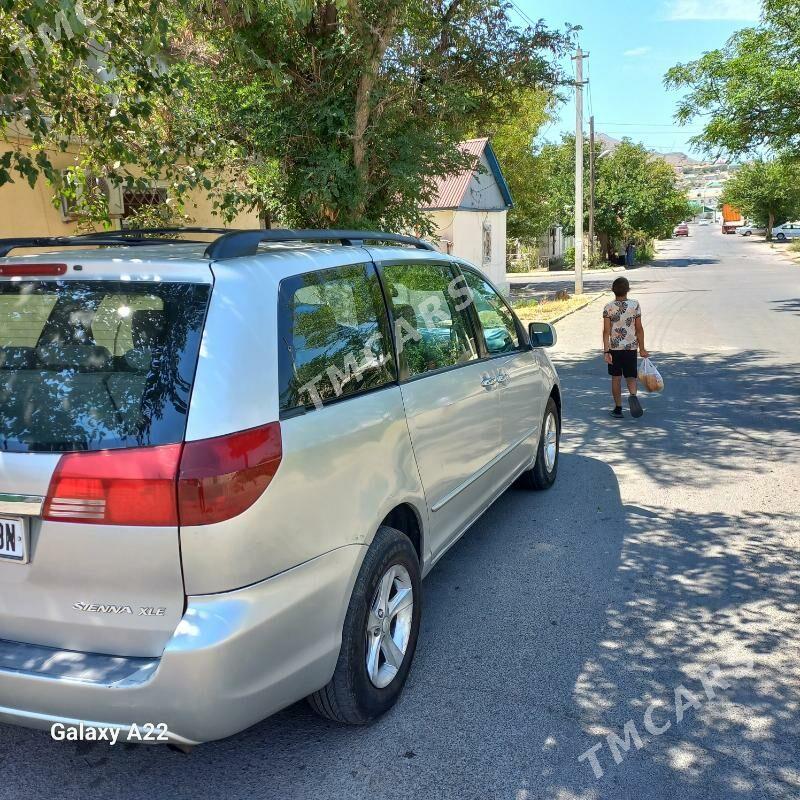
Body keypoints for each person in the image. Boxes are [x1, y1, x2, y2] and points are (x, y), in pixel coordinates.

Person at [602, 277, 648, 419]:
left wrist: (606, 350)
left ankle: (618, 408)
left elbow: (606, 331)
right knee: (631, 376)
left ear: (613, 290)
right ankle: (633, 395)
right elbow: (639, 328)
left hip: (615, 349)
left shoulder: (608, 308)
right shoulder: (635, 305)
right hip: (631, 348)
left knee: (616, 378)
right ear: (628, 290)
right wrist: (642, 348)